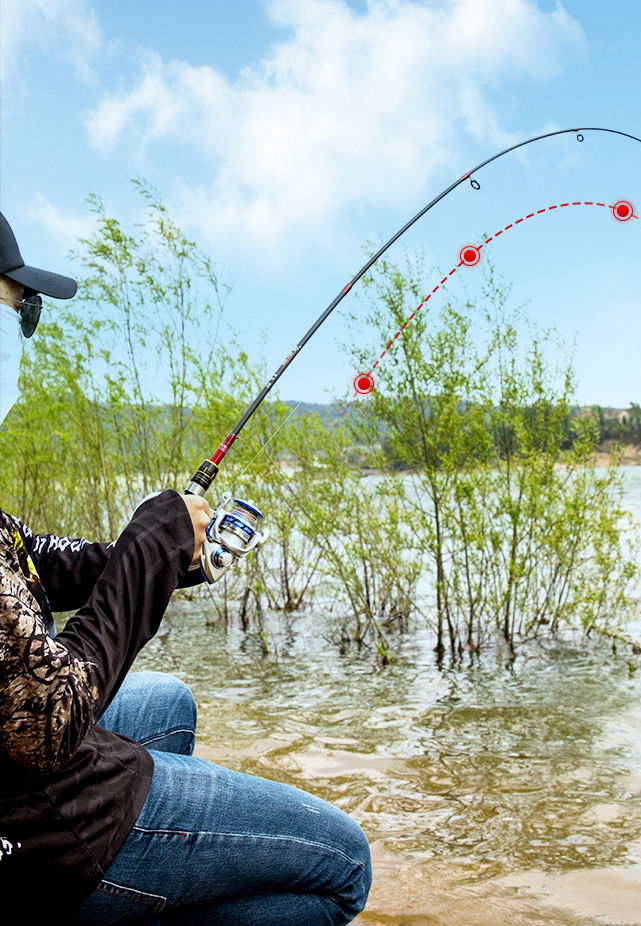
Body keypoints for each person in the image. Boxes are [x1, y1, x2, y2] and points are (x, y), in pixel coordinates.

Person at [0, 211, 371, 924]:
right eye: (20, 309)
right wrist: (146, 550)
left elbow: (31, 563)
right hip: (39, 823)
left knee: (169, 704)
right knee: (344, 865)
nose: (22, 332)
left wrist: (165, 554)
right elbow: (46, 723)